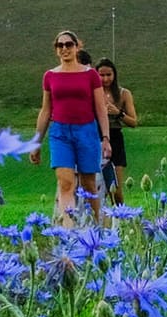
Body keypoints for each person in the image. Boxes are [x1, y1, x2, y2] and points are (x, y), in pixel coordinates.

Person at [29, 30, 109, 222]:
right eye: (60, 45)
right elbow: (46, 110)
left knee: (89, 185)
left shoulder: (90, 75)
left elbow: (100, 108)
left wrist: (105, 138)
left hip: (86, 131)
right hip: (60, 133)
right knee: (66, 184)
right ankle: (68, 234)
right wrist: (36, 142)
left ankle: (98, 225)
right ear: (56, 50)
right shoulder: (50, 76)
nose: (64, 48)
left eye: (68, 44)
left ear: (76, 47)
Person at [96, 58, 138, 203]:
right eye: (102, 75)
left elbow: (133, 122)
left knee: (116, 189)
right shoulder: (93, 94)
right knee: (100, 188)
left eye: (109, 75)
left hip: (116, 139)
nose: (106, 79)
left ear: (114, 75)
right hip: (97, 138)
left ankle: (121, 218)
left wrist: (118, 113)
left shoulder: (124, 94)